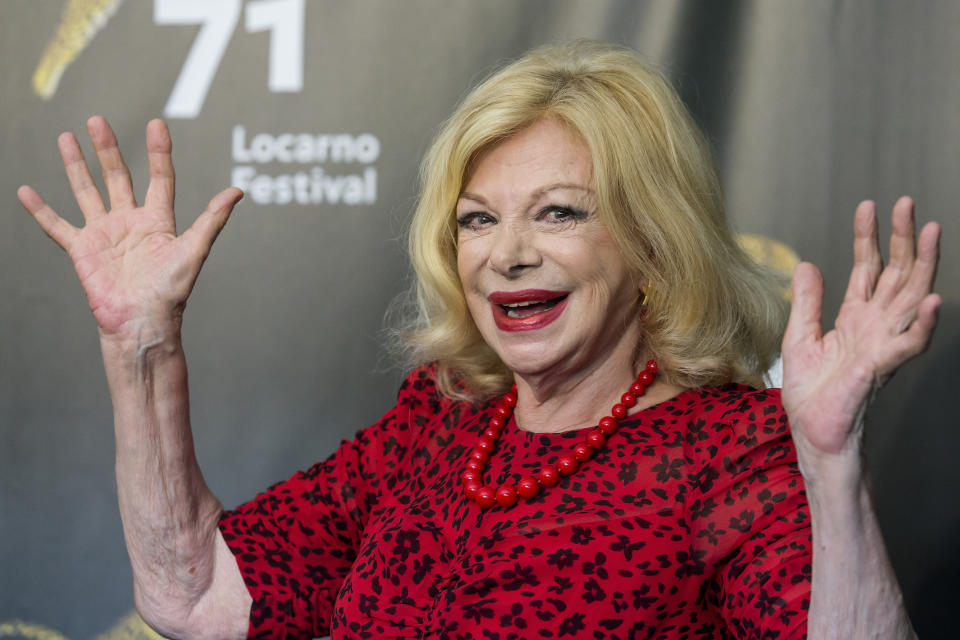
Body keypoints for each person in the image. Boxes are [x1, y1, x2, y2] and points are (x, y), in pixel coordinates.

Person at [17, 41, 938, 639]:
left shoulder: (734, 450)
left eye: (559, 213)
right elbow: (197, 598)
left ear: (653, 241)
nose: (509, 255)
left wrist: (829, 463)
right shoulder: (442, 420)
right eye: (478, 220)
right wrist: (142, 348)